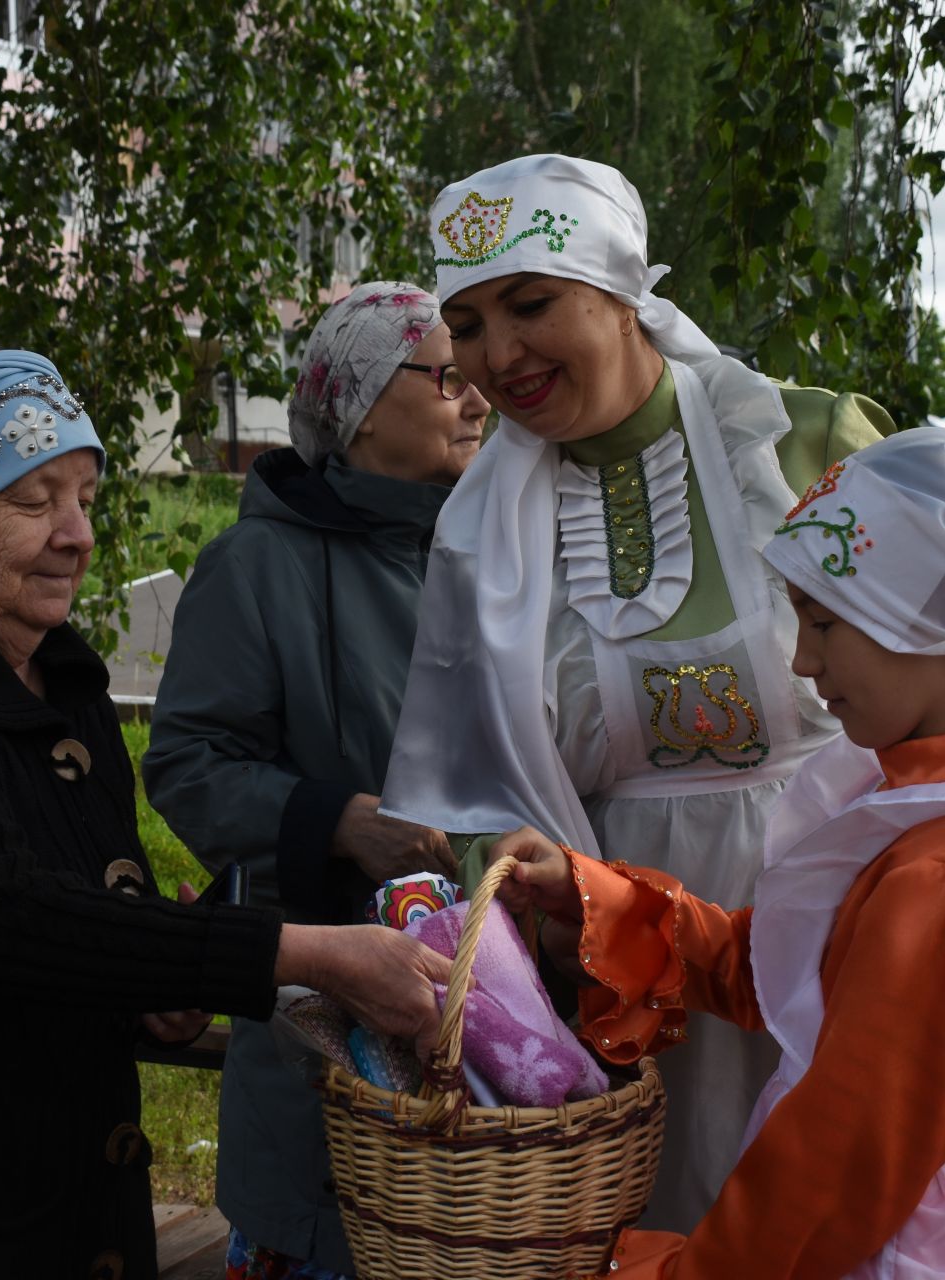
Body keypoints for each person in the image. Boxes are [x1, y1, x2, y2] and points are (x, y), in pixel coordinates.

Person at [0, 350, 451, 1280]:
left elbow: (81, 917)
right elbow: (0, 918)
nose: (77, 534)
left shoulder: (61, 680)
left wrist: (145, 993)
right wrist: (298, 951)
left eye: (83, 497)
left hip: (54, 1195)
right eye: (34, 502)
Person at [492, 428, 945, 1278]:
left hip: (912, 1244)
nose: (803, 661)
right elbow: (784, 967)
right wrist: (599, 901)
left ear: (933, 621)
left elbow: (831, 1168)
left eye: (823, 623)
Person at [378, 153, 894, 1227]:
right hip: (619, 974)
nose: (496, 357)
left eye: (530, 303)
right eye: (467, 324)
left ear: (621, 290)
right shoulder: (477, 537)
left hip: (835, 923)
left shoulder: (800, 444)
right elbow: (471, 788)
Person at [142, 283, 491, 1277]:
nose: (477, 401)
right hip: (323, 1047)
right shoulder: (255, 567)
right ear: (365, 402)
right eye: (450, 376)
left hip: (490, 1018)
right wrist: (334, 820)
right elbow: (186, 764)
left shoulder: (492, 554)